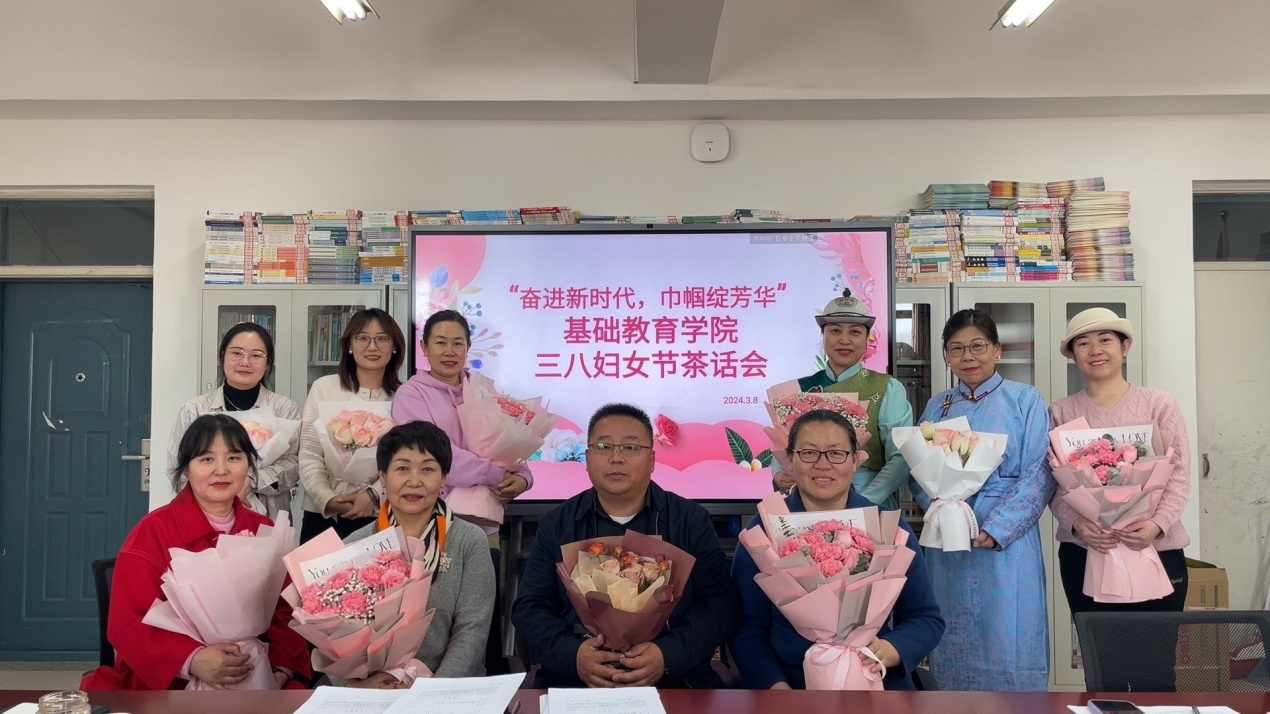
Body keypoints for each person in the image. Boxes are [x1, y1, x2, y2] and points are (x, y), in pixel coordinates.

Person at [511, 403, 739, 688]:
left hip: (675, 680)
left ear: (652, 460)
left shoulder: (690, 520)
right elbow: (530, 608)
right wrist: (574, 655)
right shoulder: (556, 524)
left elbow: (720, 603)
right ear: (587, 457)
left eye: (630, 447)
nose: (616, 458)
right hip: (577, 683)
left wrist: (667, 654)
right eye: (603, 447)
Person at [82, 414, 310, 690]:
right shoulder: (153, 532)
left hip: (255, 669)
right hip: (173, 680)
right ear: (186, 470)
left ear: (248, 466)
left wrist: (280, 668)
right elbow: (129, 622)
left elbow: (287, 611)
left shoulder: (264, 529)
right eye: (206, 459)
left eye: (234, 458)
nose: (221, 470)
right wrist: (192, 659)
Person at [731, 409, 944, 690]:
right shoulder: (764, 530)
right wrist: (776, 687)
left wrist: (889, 650)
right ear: (790, 460)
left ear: (855, 460)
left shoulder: (887, 525)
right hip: (791, 687)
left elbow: (925, 618)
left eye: (836, 453)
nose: (823, 464)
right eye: (809, 453)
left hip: (876, 679)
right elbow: (746, 627)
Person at [909, 308, 1053, 691]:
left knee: (1010, 633)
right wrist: (940, 507)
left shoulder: (1025, 400)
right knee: (951, 631)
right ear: (946, 355)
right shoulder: (937, 405)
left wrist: (997, 527)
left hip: (1007, 543)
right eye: (956, 349)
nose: (967, 357)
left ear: (997, 349)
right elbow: (916, 468)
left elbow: (1040, 473)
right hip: (950, 539)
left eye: (977, 346)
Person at [1049, 308, 1190, 690]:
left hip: (1156, 550)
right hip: (1086, 552)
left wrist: (1156, 524)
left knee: (1156, 671)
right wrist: (1078, 524)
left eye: (1105, 340)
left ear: (1125, 347)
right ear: (1072, 355)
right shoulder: (1061, 411)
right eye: (1083, 343)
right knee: (1103, 672)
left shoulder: (1158, 403)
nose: (1095, 350)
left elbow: (1179, 474)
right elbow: (1056, 486)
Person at [333, 421, 495, 687]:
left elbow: (471, 631)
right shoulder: (354, 546)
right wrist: (354, 686)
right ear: (382, 476)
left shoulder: (468, 541)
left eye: (428, 469)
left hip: (446, 691)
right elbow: (334, 636)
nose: (414, 481)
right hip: (370, 691)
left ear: (444, 478)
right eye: (402, 468)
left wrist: (432, 692)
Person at [391, 310, 532, 535]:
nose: (449, 351)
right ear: (424, 347)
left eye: (458, 343)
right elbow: (437, 454)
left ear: (468, 347)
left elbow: (508, 443)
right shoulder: (411, 394)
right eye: (440, 342)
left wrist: (523, 478)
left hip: (485, 520)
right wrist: (497, 475)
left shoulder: (483, 389)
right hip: (432, 521)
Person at [775, 289, 914, 509]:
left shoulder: (887, 388)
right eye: (835, 331)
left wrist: (862, 502)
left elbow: (902, 456)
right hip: (809, 500)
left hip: (869, 499)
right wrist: (779, 476)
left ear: (867, 338)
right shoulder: (800, 389)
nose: (844, 340)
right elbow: (783, 448)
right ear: (823, 336)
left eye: (855, 332)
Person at [168, 322, 301, 519]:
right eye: (237, 353)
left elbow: (294, 466)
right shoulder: (195, 409)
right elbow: (178, 467)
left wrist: (250, 480)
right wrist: (218, 496)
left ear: (268, 363)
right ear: (223, 356)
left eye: (256, 355)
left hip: (269, 517)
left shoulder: (284, 409)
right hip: (205, 517)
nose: (245, 362)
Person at [299, 308, 407, 544]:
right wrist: (327, 498)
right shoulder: (324, 388)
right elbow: (309, 452)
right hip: (323, 515)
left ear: (394, 346)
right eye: (362, 338)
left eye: (382, 339)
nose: (372, 346)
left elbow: (405, 460)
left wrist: (374, 494)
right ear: (349, 345)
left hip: (381, 513)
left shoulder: (404, 396)